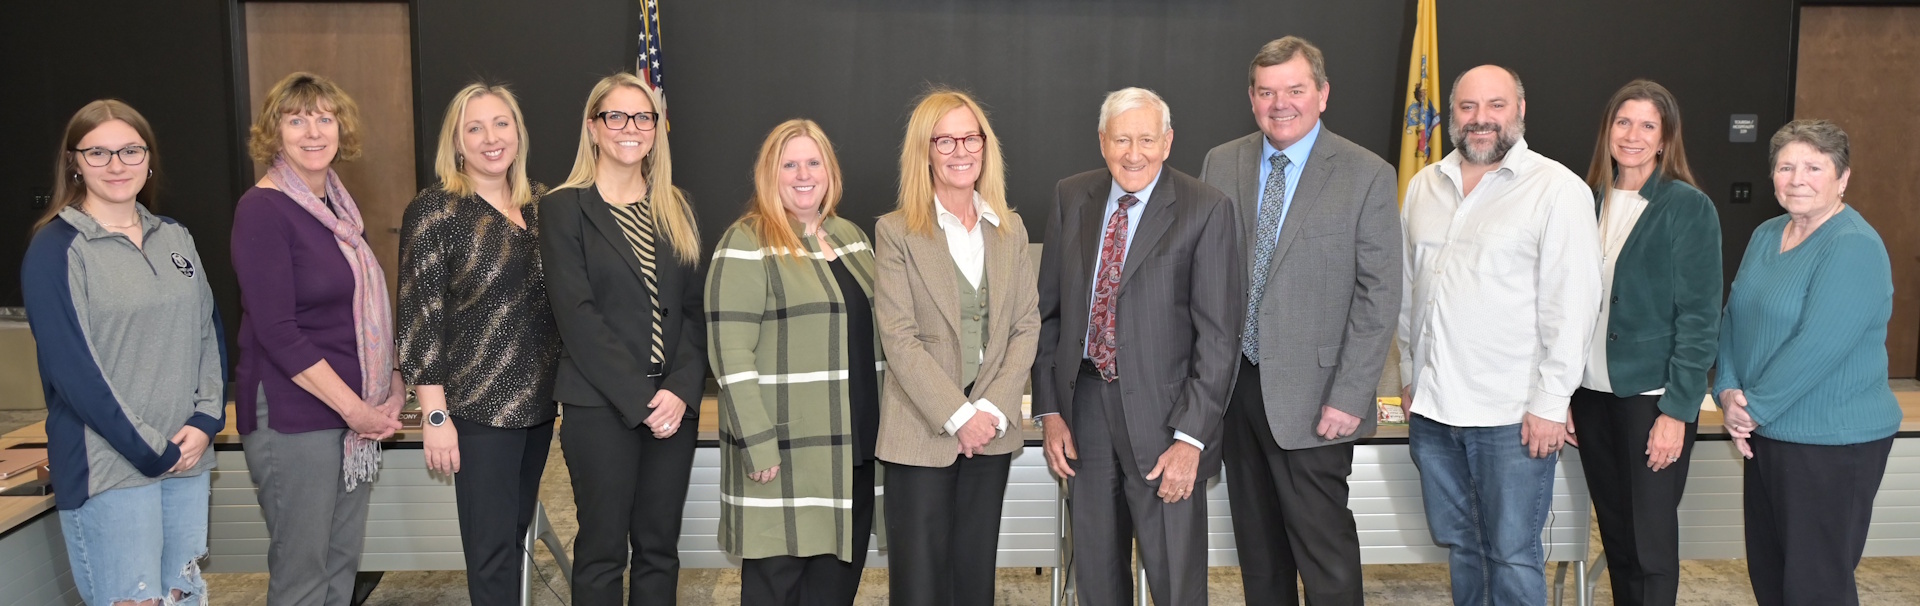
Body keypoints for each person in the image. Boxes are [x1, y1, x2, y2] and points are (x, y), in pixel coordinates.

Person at [1197, 36, 1401, 606]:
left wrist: (1351, 395)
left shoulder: (1367, 174)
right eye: (1266, 92)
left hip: (1320, 402)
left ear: (1323, 94)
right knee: (1259, 559)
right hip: (1237, 393)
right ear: (1252, 98)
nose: (1279, 103)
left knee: (1325, 558)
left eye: (1294, 89)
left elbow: (1380, 296)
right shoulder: (1222, 162)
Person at [1397, 65, 1602, 606]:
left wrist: (1552, 402)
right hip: (1435, 412)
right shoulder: (1424, 186)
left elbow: (1573, 307)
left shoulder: (1557, 190)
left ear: (1521, 110)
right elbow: (1408, 292)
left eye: (1496, 105)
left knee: (1512, 554)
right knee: (1463, 548)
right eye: (1467, 107)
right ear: (1452, 115)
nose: (1481, 119)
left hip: (1512, 417)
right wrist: (1408, 374)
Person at [1032, 87, 1243, 606]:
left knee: (1175, 577)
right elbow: (1049, 314)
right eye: (1121, 139)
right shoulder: (1070, 196)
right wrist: (1051, 412)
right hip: (1084, 413)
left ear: (1167, 142)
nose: (1134, 153)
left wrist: (1190, 439)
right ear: (1102, 142)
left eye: (1146, 139)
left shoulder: (1206, 208)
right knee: (1097, 574)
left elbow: (1219, 338)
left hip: (1166, 421)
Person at [23, 99, 225, 606]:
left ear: (149, 158)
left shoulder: (175, 237)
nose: (117, 166)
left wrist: (205, 422)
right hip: (111, 468)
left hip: (187, 457)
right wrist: (152, 450)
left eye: (130, 151)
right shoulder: (56, 249)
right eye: (99, 153)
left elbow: (209, 335)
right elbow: (74, 372)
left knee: (182, 597)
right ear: (74, 161)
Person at [231, 71, 404, 606]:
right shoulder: (262, 209)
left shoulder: (339, 211)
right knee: (303, 572)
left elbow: (364, 310)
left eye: (324, 118)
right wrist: (355, 409)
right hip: (293, 416)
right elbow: (278, 332)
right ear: (273, 131)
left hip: (352, 413)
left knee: (340, 565)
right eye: (297, 118)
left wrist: (393, 379)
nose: (313, 131)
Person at [540, 72, 708, 606]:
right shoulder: (564, 208)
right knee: (603, 551)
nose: (630, 128)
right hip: (600, 406)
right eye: (616, 116)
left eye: (643, 117)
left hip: (673, 405)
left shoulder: (675, 207)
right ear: (594, 127)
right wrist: (642, 400)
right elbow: (578, 317)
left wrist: (680, 390)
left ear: (657, 129)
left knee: (660, 548)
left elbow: (692, 312)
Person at [1717, 119, 1898, 606]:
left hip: (1831, 445)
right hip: (1768, 433)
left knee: (1816, 586)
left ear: (1842, 178)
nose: (1797, 178)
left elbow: (1819, 344)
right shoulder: (1766, 233)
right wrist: (1728, 392)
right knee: (1771, 577)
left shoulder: (1853, 244)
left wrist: (1754, 407)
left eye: (1814, 167)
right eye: (1785, 166)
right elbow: (1734, 316)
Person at [396, 82, 561, 606]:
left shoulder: (542, 204)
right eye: (475, 128)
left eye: (501, 124)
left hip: (538, 409)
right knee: (490, 551)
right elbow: (419, 320)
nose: (491, 138)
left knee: (515, 538)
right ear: (457, 143)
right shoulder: (436, 211)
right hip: (476, 412)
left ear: (518, 132)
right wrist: (435, 417)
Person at [872, 89, 1039, 606]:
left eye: (970, 137)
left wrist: (987, 411)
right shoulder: (896, 231)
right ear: (924, 151)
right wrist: (957, 414)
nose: (959, 150)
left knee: (973, 579)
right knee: (920, 585)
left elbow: (1026, 327)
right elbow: (898, 337)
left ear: (985, 146)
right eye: (944, 140)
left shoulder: (1009, 230)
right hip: (920, 429)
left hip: (992, 430)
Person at [707, 119, 882, 605]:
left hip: (854, 454)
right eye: (790, 164)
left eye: (813, 162)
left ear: (830, 171)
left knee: (833, 593)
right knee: (776, 592)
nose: (803, 174)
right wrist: (757, 443)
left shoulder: (852, 238)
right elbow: (730, 354)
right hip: (784, 457)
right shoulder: (746, 242)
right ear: (770, 173)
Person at [1569, 79, 1721, 606]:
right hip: (1589, 397)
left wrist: (1677, 412)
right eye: (1623, 122)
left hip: (1651, 400)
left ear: (1665, 139)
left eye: (1647, 125)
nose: (1632, 135)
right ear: (1608, 130)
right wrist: (1562, 395)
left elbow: (1700, 319)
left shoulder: (1687, 207)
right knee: (1617, 539)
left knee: (1651, 548)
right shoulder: (1584, 202)